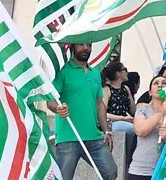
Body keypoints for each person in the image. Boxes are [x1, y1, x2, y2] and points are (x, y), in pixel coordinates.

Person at [47, 43, 117, 180]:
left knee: (110, 172)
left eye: (88, 45)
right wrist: (58, 109)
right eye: (81, 45)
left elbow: (100, 104)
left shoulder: (95, 73)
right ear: (73, 47)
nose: (85, 48)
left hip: (94, 137)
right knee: (62, 178)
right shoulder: (62, 71)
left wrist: (106, 131)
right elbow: (49, 101)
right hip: (68, 138)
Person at [128, 75, 166, 180]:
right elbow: (140, 131)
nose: (160, 85)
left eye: (164, 83)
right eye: (156, 83)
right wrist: (162, 112)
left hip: (163, 171)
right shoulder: (142, 109)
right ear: (149, 92)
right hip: (140, 171)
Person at [101, 61, 136, 133]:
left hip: (125, 122)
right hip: (111, 123)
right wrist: (122, 118)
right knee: (132, 129)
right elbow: (103, 113)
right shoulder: (106, 90)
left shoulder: (126, 89)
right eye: (125, 70)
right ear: (118, 73)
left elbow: (133, 111)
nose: (127, 72)